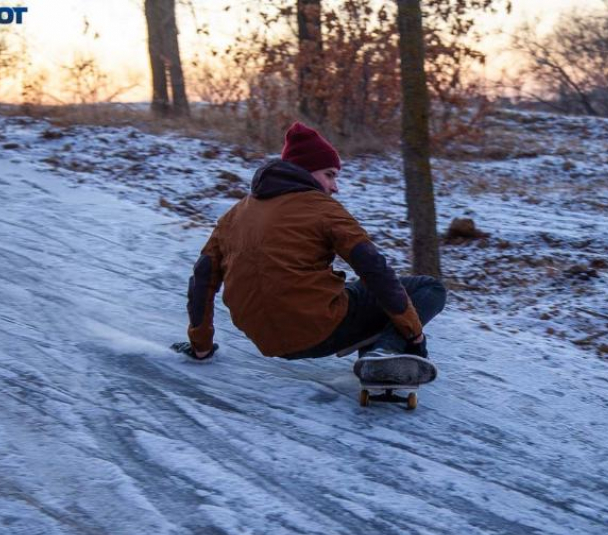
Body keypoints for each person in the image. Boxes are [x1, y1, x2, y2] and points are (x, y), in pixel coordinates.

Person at [178, 121, 446, 381]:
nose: (334, 187)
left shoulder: (232, 216)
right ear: (305, 171)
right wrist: (414, 335)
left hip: (265, 340)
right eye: (329, 174)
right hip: (320, 329)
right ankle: (385, 352)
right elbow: (373, 267)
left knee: (361, 291)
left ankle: (378, 353)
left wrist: (201, 345)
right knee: (429, 289)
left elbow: (202, 278)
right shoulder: (322, 208)